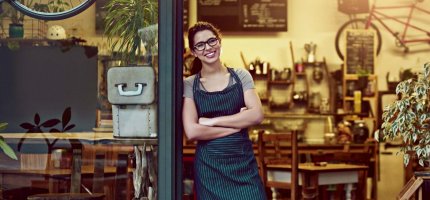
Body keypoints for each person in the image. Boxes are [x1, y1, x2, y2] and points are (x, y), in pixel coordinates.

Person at [182, 21, 267, 200]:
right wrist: (237, 125)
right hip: (209, 170)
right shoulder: (190, 84)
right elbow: (192, 131)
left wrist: (212, 121)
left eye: (212, 41)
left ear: (219, 41)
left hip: (243, 165)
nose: (208, 48)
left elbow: (257, 115)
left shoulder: (241, 76)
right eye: (200, 45)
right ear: (194, 51)